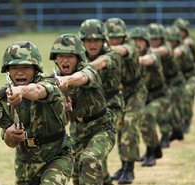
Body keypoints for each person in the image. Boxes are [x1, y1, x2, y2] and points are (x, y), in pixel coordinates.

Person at [0, 41, 75, 185]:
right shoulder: (3, 97)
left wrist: (22, 91)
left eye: (26, 67)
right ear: (7, 70)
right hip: (25, 161)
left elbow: (37, 91)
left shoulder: (49, 84)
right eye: (14, 67)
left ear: (36, 69)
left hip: (57, 156)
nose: (20, 72)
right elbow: (10, 142)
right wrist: (9, 134)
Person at [49, 33, 116, 185]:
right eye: (61, 56)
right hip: (77, 131)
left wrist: (66, 80)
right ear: (55, 58)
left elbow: (83, 77)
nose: (65, 60)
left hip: (102, 128)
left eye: (70, 56)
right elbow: (63, 121)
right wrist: (64, 110)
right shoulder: (53, 80)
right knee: (77, 175)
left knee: (89, 159)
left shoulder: (88, 70)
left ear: (79, 57)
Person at [78, 18, 123, 185]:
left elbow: (100, 63)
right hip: (85, 112)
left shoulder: (112, 55)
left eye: (96, 40)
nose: (92, 44)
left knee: (95, 151)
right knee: (79, 164)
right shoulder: (76, 58)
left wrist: (81, 72)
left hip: (110, 108)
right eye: (88, 40)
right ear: (82, 41)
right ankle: (105, 179)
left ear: (103, 41)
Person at [104, 17, 148, 184]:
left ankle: (129, 169)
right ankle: (124, 165)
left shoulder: (130, 45)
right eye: (111, 37)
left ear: (124, 36)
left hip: (136, 91)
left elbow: (123, 50)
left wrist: (106, 51)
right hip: (118, 94)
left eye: (117, 37)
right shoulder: (103, 47)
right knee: (120, 128)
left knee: (130, 123)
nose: (114, 40)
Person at [129, 27, 165, 167]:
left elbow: (148, 60)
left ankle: (151, 152)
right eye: (134, 40)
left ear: (146, 42)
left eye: (141, 40)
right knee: (137, 119)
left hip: (159, 96)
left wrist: (133, 60)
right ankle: (155, 148)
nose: (137, 43)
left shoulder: (151, 54)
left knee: (146, 116)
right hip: (142, 97)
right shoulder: (130, 56)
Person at [147, 23, 185, 147]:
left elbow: (161, 51)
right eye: (151, 39)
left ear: (162, 39)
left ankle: (167, 135)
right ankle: (174, 131)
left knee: (167, 109)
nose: (153, 42)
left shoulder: (166, 48)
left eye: (156, 39)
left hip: (174, 82)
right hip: (161, 84)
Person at [166, 26, 195, 134]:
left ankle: (186, 121)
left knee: (186, 94)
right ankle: (175, 123)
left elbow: (177, 52)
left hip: (190, 76)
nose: (170, 43)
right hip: (177, 79)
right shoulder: (166, 48)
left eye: (172, 41)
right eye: (168, 40)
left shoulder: (183, 48)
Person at [173, 18, 195, 84]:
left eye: (182, 31)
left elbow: (187, 42)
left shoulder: (188, 40)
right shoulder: (173, 41)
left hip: (191, 73)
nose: (181, 33)